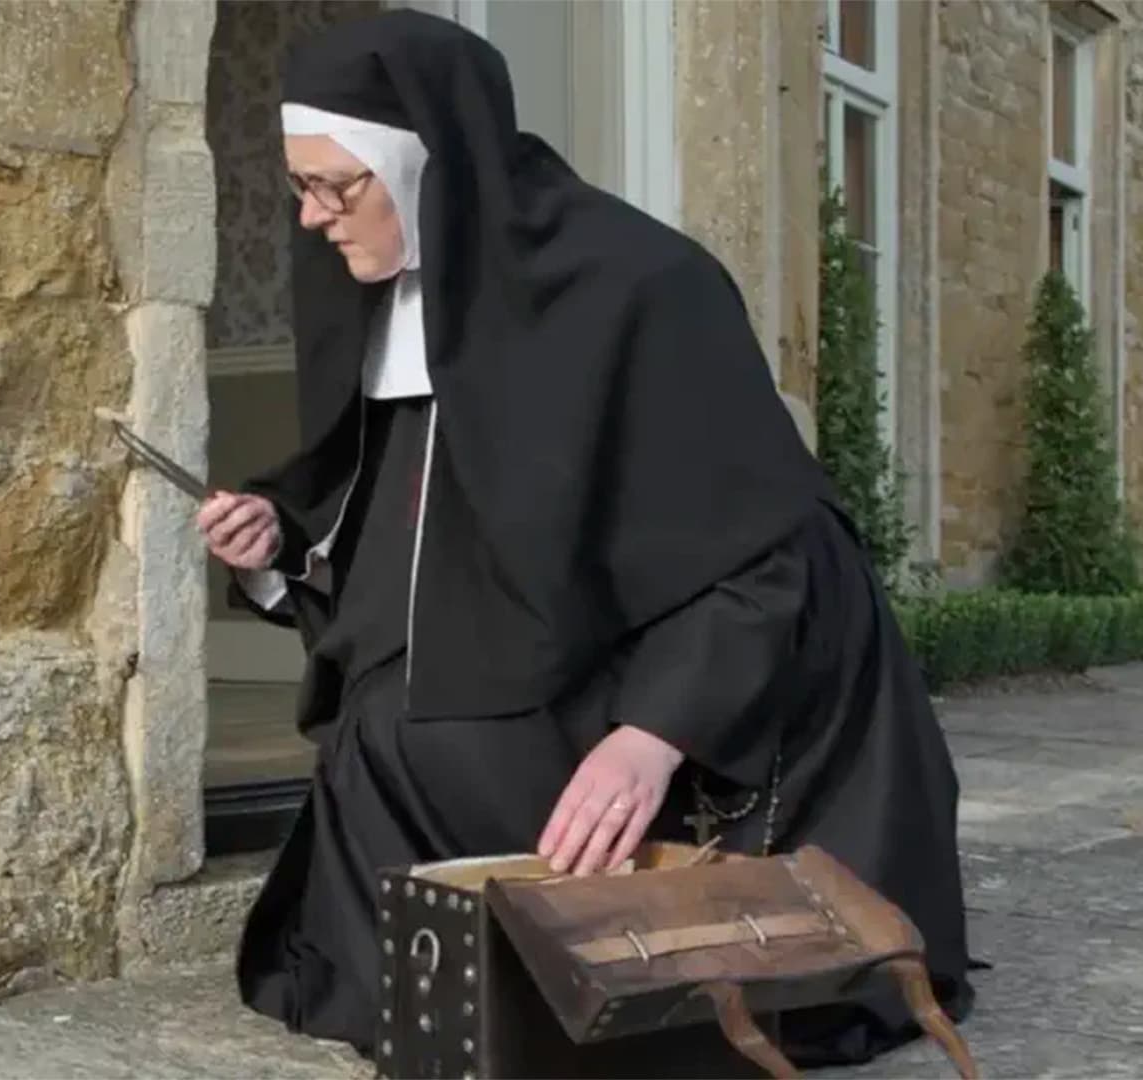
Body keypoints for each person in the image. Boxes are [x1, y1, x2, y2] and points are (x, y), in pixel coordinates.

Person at [195, 10, 975, 1070]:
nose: (311, 218)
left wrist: (655, 734)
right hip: (521, 679)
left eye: (336, 187)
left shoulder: (642, 287)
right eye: (300, 187)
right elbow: (404, 555)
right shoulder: (391, 300)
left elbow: (767, 553)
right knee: (387, 725)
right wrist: (283, 552)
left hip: (690, 687)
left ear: (429, 165)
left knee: (463, 753)